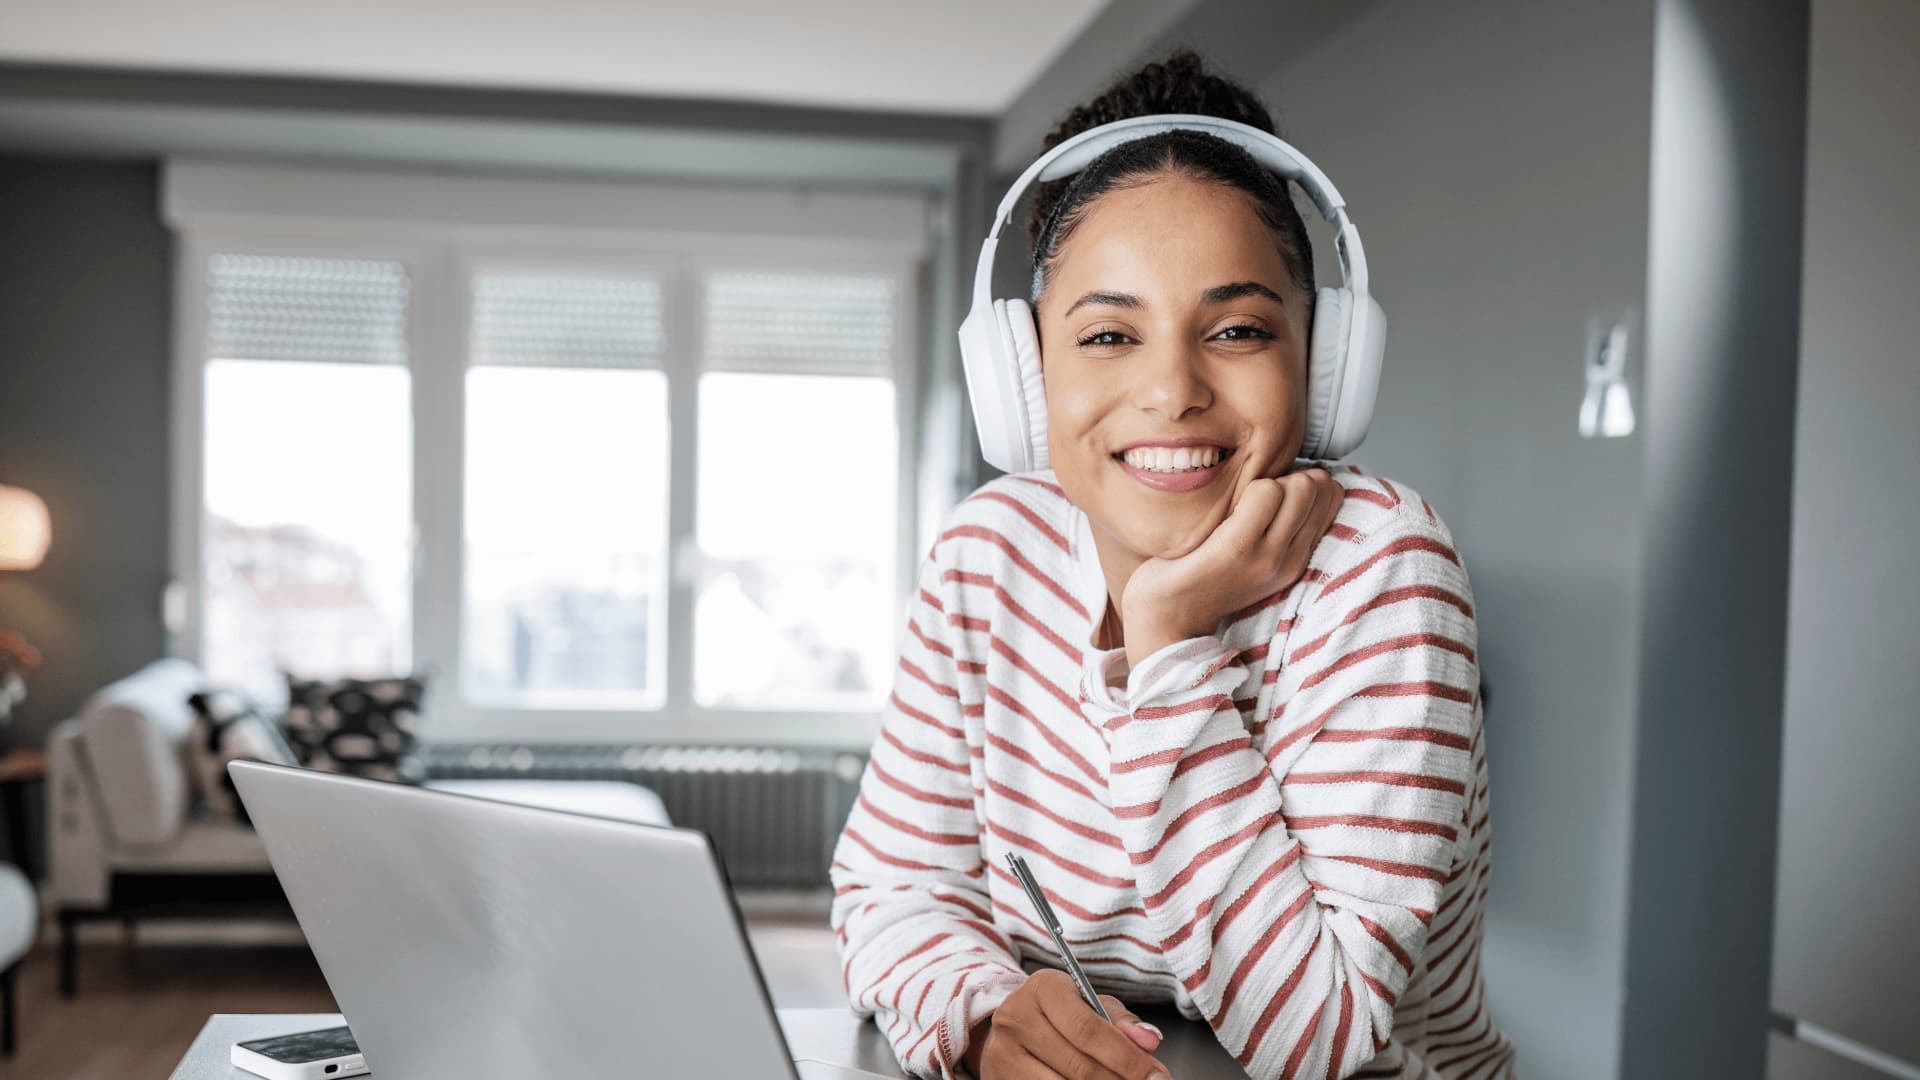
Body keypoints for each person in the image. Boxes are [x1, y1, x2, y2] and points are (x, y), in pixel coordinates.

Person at [830, 50, 1515, 1080]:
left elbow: (1318, 1041)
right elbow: (892, 890)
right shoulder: (989, 552)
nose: (1171, 390)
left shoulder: (1386, 568)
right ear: (1024, 377)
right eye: (1108, 333)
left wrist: (1170, 640)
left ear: (1322, 366)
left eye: (1237, 329)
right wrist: (984, 1017)